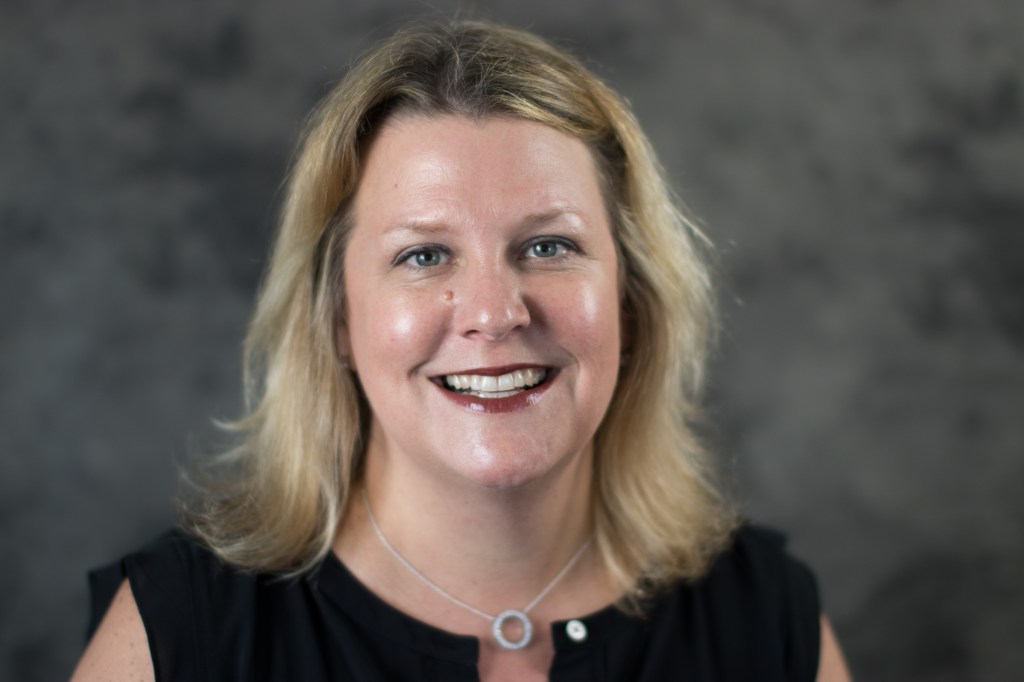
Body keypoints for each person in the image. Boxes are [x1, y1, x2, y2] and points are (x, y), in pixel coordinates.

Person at [73, 20, 851, 681]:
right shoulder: (180, 635)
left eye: (548, 245)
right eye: (423, 256)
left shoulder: (766, 619)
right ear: (339, 319)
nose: (492, 312)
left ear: (630, 300)